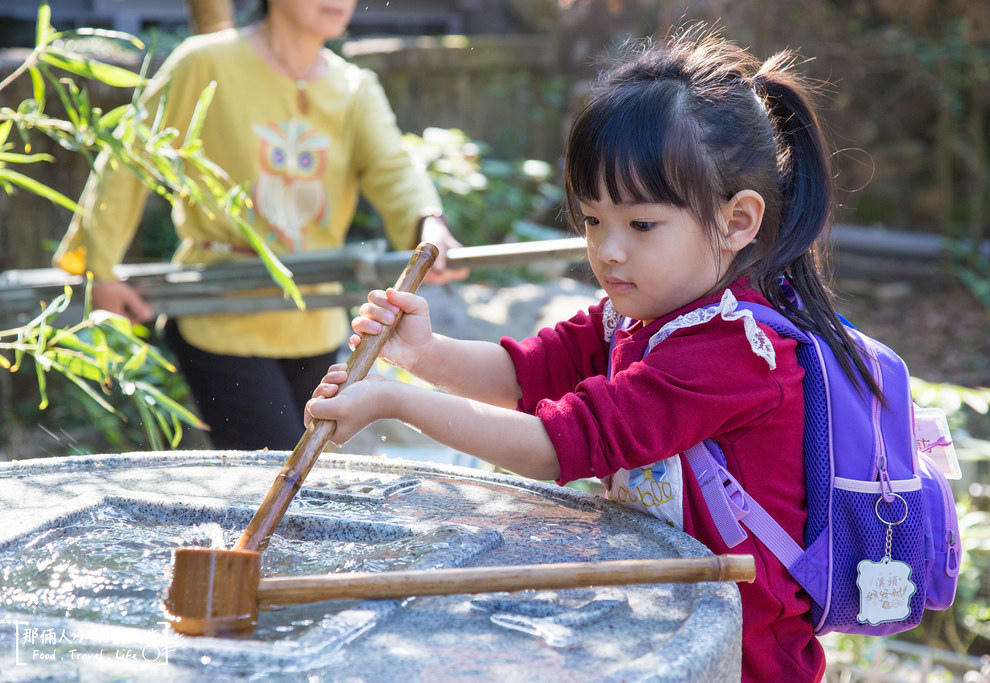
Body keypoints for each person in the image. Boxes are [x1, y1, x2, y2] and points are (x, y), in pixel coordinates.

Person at [306, 26, 884, 681]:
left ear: (738, 220)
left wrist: (396, 400)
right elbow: (529, 373)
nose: (609, 250)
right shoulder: (639, 316)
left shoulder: (736, 351)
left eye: (641, 225)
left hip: (739, 656)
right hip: (666, 628)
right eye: (591, 219)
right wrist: (425, 353)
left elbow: (560, 444)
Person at [53, 0, 466, 451]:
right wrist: (101, 266)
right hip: (221, 309)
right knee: (271, 471)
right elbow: (129, 156)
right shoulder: (205, 60)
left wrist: (430, 224)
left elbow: (394, 170)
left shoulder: (355, 86)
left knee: (301, 474)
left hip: (314, 313)